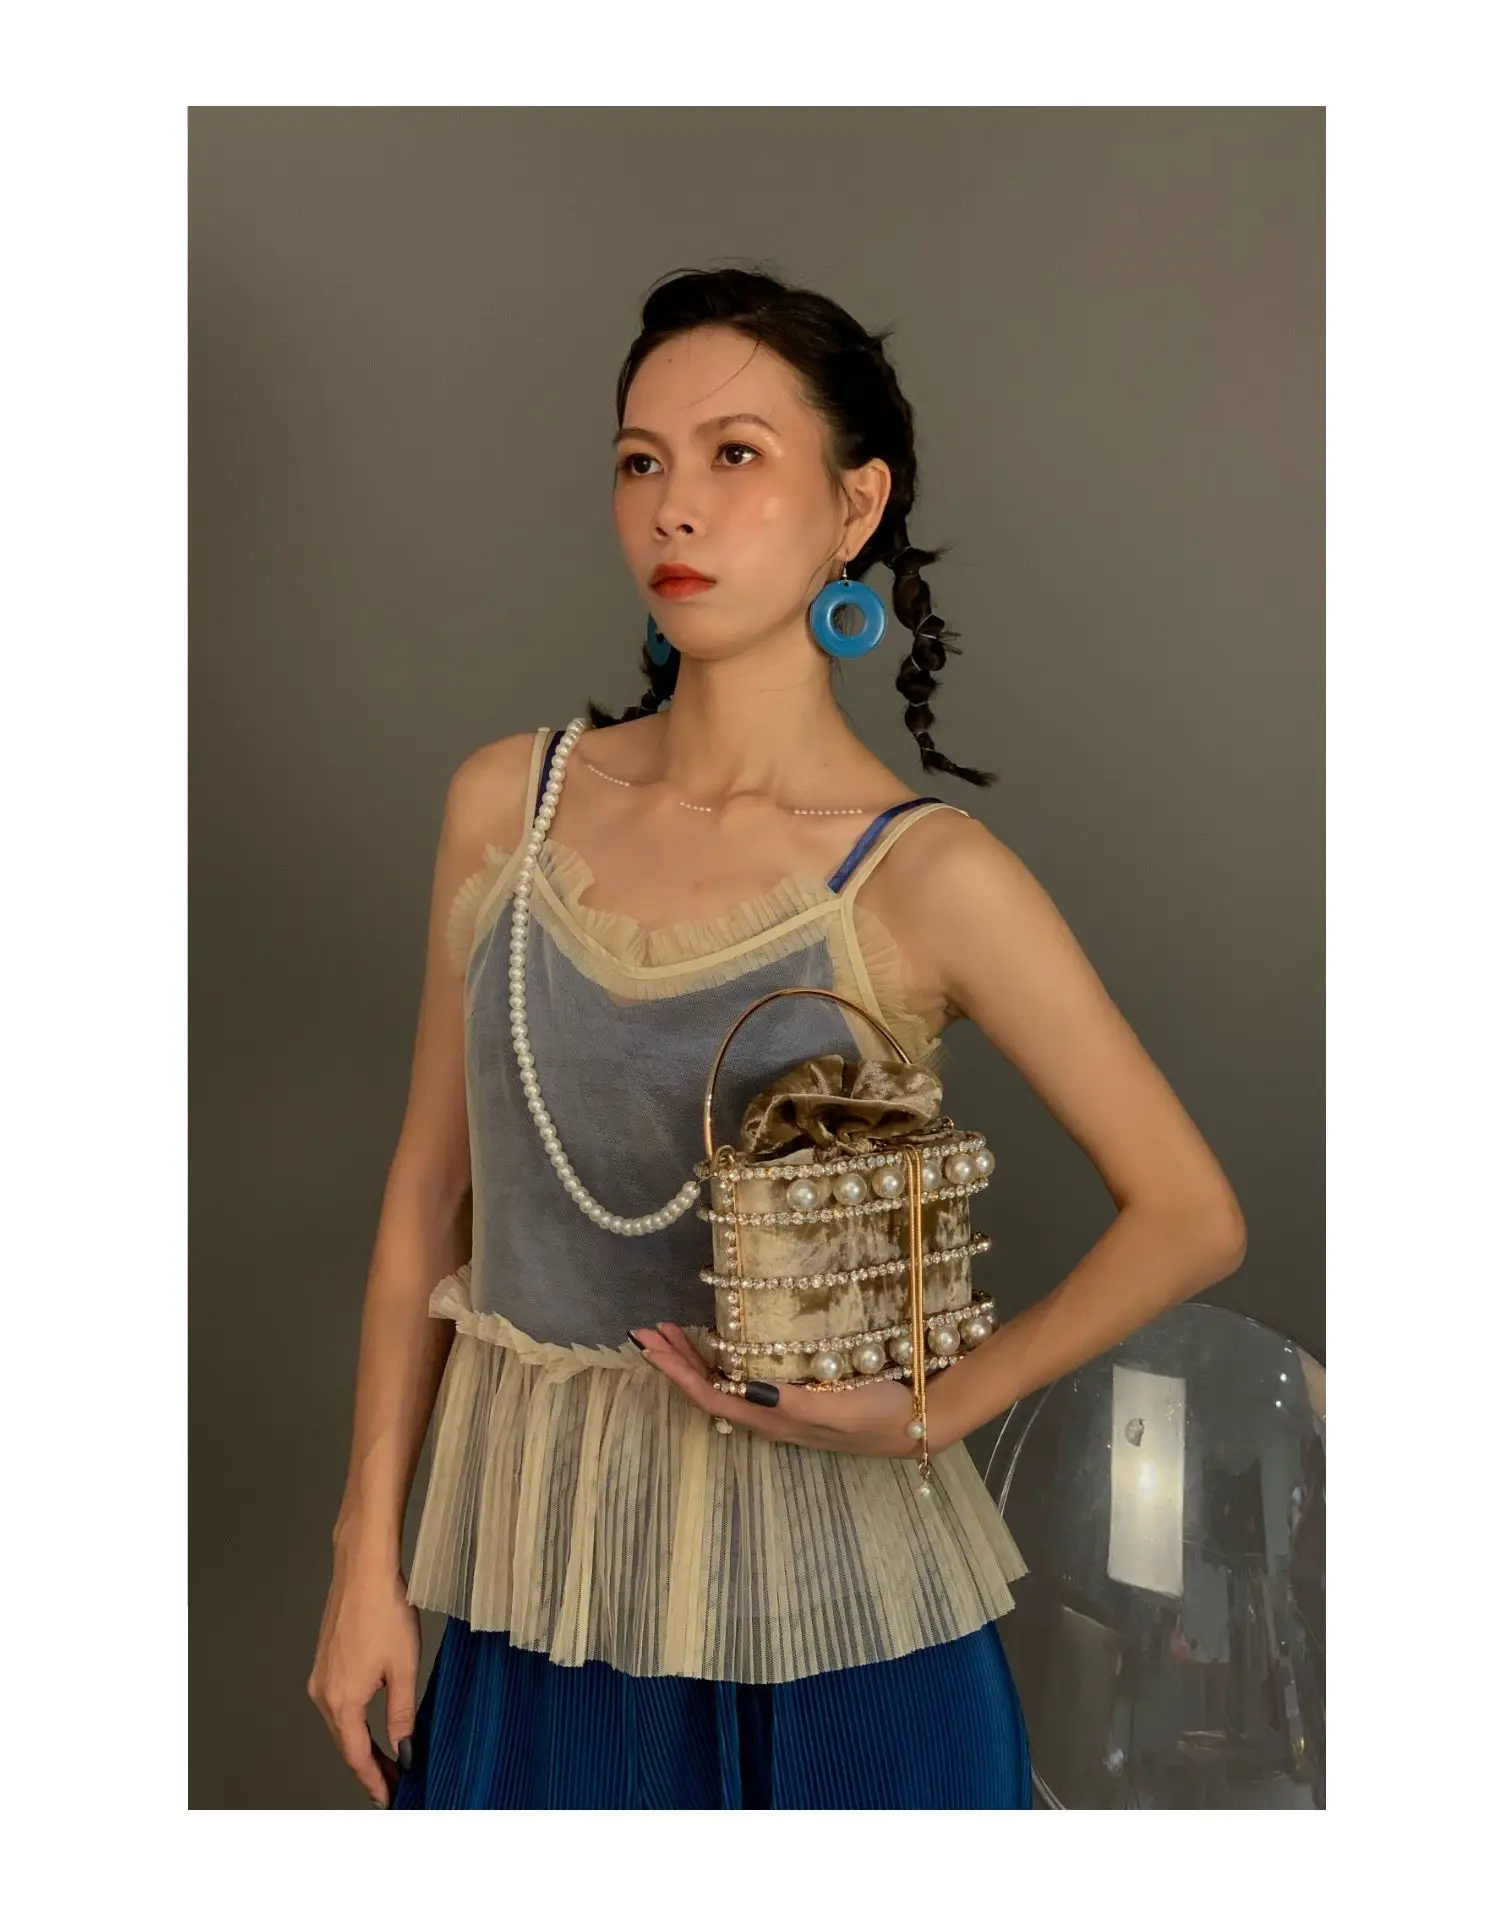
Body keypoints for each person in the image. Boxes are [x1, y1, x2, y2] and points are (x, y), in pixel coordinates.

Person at [306, 265, 1247, 1810]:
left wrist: (933, 1412)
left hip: (841, 1629)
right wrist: (366, 1553)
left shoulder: (923, 876)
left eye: (735, 454)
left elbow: (1192, 1212)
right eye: (641, 460)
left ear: (854, 505)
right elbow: (430, 1193)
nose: (674, 506)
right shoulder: (504, 806)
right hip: (533, 1594)